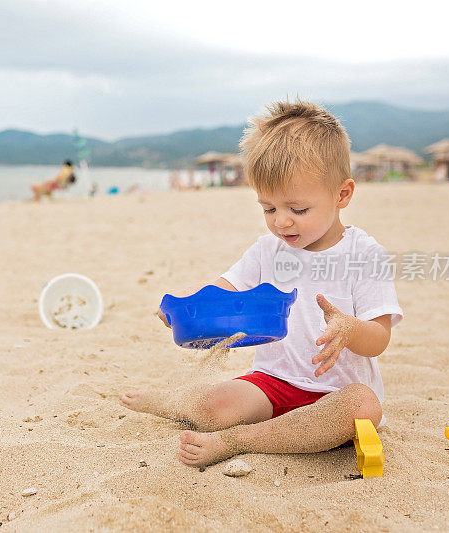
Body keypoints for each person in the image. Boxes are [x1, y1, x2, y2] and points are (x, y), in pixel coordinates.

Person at [120, 99, 403, 467]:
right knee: (215, 405)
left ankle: (240, 439)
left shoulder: (364, 255)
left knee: (364, 406)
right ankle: (168, 401)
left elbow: (379, 338)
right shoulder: (267, 251)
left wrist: (349, 330)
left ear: (342, 195)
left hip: (335, 392)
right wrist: (187, 307)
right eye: (268, 208)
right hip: (272, 383)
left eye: (297, 209)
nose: (281, 222)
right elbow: (225, 288)